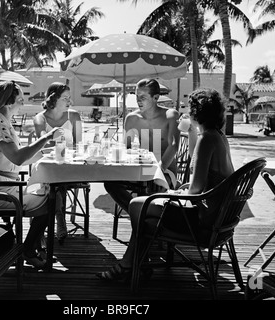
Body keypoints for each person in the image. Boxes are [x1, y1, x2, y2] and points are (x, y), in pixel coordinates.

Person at [97, 87, 235, 281]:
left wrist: (175, 194)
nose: (187, 111)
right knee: (143, 209)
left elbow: (196, 189)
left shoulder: (207, 140)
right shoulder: (217, 136)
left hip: (203, 220)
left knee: (139, 206)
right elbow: (204, 180)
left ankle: (130, 264)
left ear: (197, 112)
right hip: (220, 217)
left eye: (190, 108)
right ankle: (135, 263)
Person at [0, 80, 64, 270]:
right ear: (9, 103)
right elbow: (17, 158)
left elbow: (16, 159)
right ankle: (29, 249)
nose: (23, 103)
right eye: (20, 99)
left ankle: (32, 247)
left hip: (5, 186)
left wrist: (44, 153)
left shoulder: (3, 123)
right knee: (52, 200)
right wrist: (46, 138)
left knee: (51, 197)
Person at [104, 78, 180, 214]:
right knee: (110, 183)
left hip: (165, 170)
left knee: (152, 186)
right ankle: (139, 215)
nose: (138, 101)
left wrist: (159, 170)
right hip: (141, 170)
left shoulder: (170, 115)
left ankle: (141, 219)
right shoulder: (132, 118)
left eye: (143, 97)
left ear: (156, 97)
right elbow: (125, 148)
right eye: (137, 96)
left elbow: (174, 146)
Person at [33, 82, 82, 242]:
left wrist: (61, 148)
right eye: (66, 98)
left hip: (71, 166)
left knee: (56, 181)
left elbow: (79, 144)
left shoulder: (74, 116)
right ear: (53, 99)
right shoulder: (40, 118)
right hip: (48, 165)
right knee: (54, 179)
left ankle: (42, 229)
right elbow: (43, 144)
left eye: (70, 98)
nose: (70, 101)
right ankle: (59, 219)